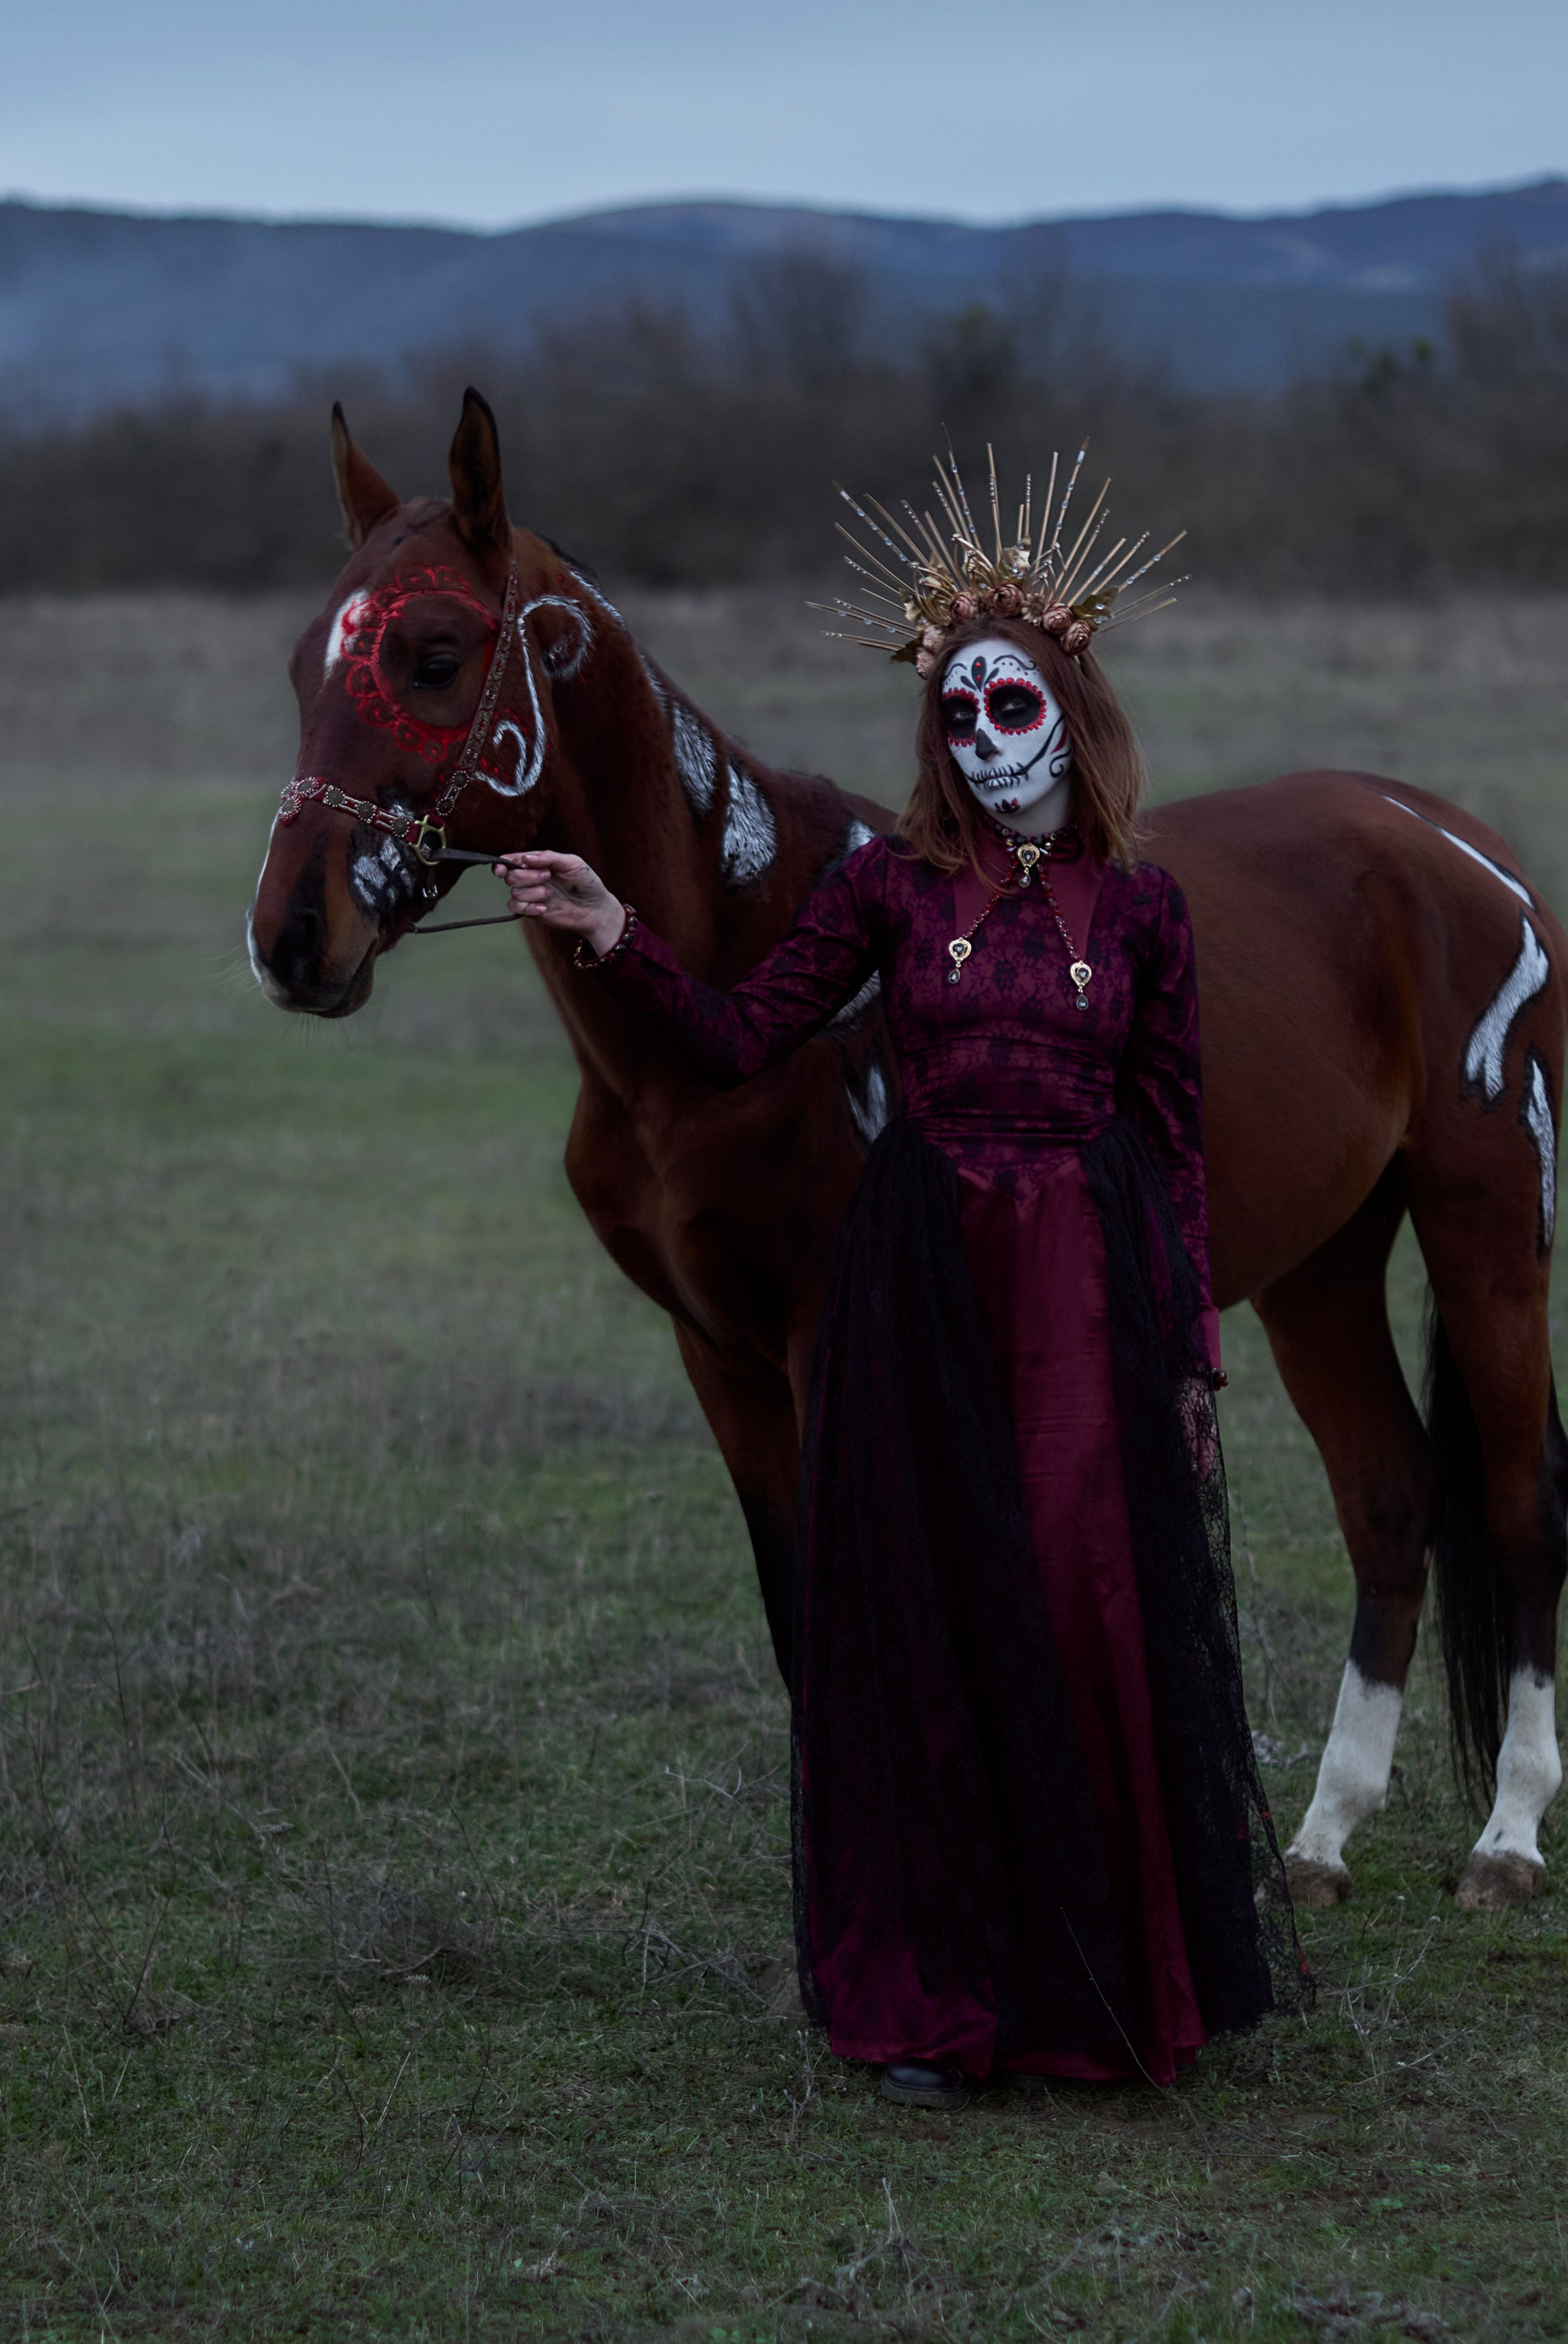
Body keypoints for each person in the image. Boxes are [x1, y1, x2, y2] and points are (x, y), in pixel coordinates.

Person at [499, 451, 1305, 2109]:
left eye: (1012, 705)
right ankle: (939, 2000)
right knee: (930, 1617)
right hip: (916, 1285)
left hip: (1079, 1294)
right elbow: (737, 1033)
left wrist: (1183, 1359)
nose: (985, 738)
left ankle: (1088, 1989)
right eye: (955, 712)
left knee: (1081, 1605)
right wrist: (607, 929)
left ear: (1070, 712)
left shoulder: (1140, 910)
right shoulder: (883, 888)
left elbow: (1169, 1143)